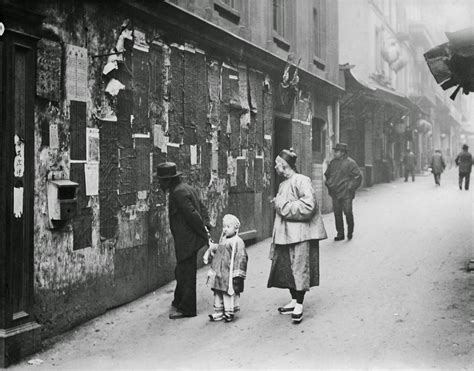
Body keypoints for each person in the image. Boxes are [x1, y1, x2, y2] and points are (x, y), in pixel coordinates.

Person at [267, 149, 327, 324]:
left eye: (277, 164)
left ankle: (299, 304)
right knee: (286, 268)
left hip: (300, 235)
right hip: (285, 235)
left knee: (300, 268)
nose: (275, 167)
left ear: (284, 165)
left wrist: (282, 205)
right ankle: (294, 300)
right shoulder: (283, 184)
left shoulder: (302, 180)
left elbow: (308, 206)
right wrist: (280, 204)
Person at [156, 162, 211, 319]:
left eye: (161, 180)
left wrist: (205, 234)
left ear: (168, 180)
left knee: (186, 273)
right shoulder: (186, 188)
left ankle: (187, 309)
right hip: (188, 239)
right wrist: (206, 226)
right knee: (181, 270)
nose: (159, 183)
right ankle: (178, 300)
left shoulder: (177, 193)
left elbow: (192, 214)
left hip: (187, 240)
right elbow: (201, 207)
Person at [203, 214, 248, 323]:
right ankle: (219, 310)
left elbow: (241, 257)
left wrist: (237, 273)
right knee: (218, 291)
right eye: (224, 226)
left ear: (235, 228)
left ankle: (229, 311)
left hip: (228, 272)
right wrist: (210, 249)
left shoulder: (237, 241)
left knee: (228, 292)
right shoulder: (223, 239)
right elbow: (219, 249)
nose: (225, 229)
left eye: (228, 227)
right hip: (219, 271)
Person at [324, 143, 362, 241]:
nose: (335, 153)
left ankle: (350, 232)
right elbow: (327, 174)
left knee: (348, 212)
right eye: (335, 151)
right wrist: (329, 184)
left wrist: (350, 187)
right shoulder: (333, 163)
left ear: (342, 153)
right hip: (335, 193)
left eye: (337, 151)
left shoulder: (351, 163)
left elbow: (358, 177)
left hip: (346, 193)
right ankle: (340, 233)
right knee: (337, 213)